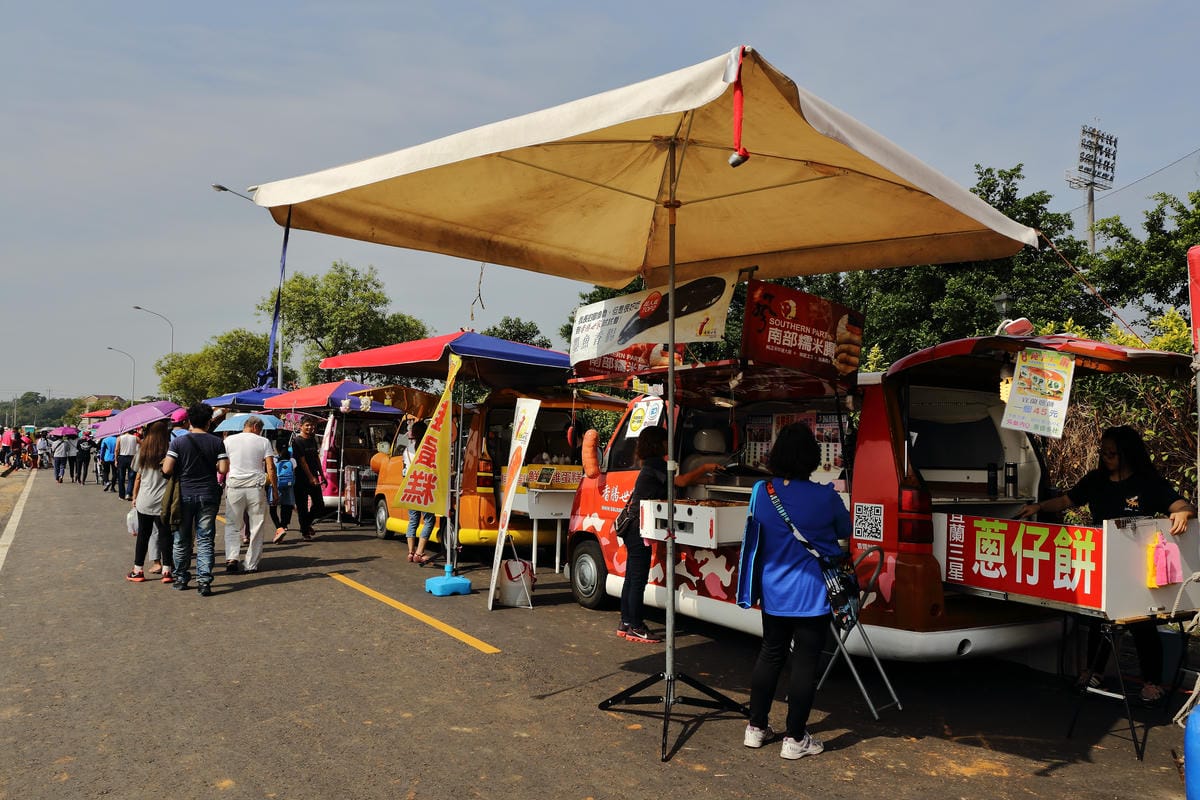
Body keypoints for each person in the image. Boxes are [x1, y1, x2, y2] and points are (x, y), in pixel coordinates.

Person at [1015, 424, 1196, 702]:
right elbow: (1066, 500)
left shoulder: (1148, 483)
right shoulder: (1095, 480)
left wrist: (1184, 513)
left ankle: (1151, 682)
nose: (1106, 457)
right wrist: (1039, 507)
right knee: (1098, 619)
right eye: (1104, 452)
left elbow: (1179, 505)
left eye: (1112, 453)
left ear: (1128, 454)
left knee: (1142, 624)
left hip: (1138, 568)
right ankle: (1093, 671)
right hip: (1100, 562)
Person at [739, 421, 849, 760]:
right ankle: (795, 738)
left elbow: (757, 529)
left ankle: (755, 728)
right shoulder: (825, 495)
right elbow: (845, 530)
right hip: (813, 595)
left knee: (770, 654)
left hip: (773, 591)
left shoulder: (762, 491)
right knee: (804, 663)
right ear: (813, 457)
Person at [616, 425, 721, 644]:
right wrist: (705, 468)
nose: (668, 444)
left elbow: (676, 480)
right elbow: (680, 481)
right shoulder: (656, 463)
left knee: (631, 577)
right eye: (665, 441)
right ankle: (635, 626)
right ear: (659, 443)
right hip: (638, 526)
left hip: (633, 525)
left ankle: (626, 622)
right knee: (637, 579)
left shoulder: (650, 463)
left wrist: (704, 480)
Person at [162, 403, 229, 597]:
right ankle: (204, 582)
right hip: (208, 494)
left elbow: (166, 469)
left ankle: (182, 578)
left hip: (183, 495)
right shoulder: (216, 442)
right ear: (209, 422)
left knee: (181, 539)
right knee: (205, 539)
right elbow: (223, 469)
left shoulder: (178, 443)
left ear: (189, 421)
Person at [221, 415, 278, 575]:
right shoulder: (263, 442)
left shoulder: (229, 440)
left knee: (232, 524)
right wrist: (274, 489)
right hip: (255, 487)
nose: (260, 432)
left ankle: (231, 558)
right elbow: (270, 467)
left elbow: (224, 465)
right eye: (260, 429)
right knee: (256, 526)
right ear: (254, 427)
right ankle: (251, 564)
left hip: (235, 486)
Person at [127, 420, 172, 583]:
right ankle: (167, 570)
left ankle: (138, 570)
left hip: (145, 499)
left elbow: (136, 475)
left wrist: (134, 496)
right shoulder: (170, 450)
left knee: (143, 535)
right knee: (165, 534)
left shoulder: (143, 451)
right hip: (164, 500)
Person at [404, 420, 436, 563]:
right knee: (429, 519)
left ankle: (410, 552)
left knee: (413, 520)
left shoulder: (407, 450)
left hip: (410, 487)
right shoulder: (429, 449)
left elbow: (404, 470)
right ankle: (419, 552)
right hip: (425, 487)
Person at [290, 418, 325, 541]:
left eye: (312, 425)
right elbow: (302, 461)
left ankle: (306, 524)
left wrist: (322, 475)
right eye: (307, 425)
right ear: (301, 426)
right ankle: (305, 532)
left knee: (320, 505)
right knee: (302, 506)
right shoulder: (297, 441)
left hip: (314, 476)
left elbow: (316, 458)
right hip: (301, 478)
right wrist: (310, 478)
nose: (310, 427)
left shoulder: (312, 439)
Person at [269, 434, 296, 543]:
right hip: (289, 486)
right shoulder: (292, 460)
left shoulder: (274, 460)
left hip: (276, 486)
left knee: (273, 508)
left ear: (276, 448)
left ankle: (278, 528)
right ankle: (284, 526)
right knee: (287, 506)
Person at [114, 427, 139, 499]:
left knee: (121, 477)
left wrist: (115, 459)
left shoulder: (119, 438)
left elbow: (116, 450)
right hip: (132, 458)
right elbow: (143, 444)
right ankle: (128, 493)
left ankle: (121, 495)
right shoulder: (135, 438)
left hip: (122, 457)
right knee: (131, 476)